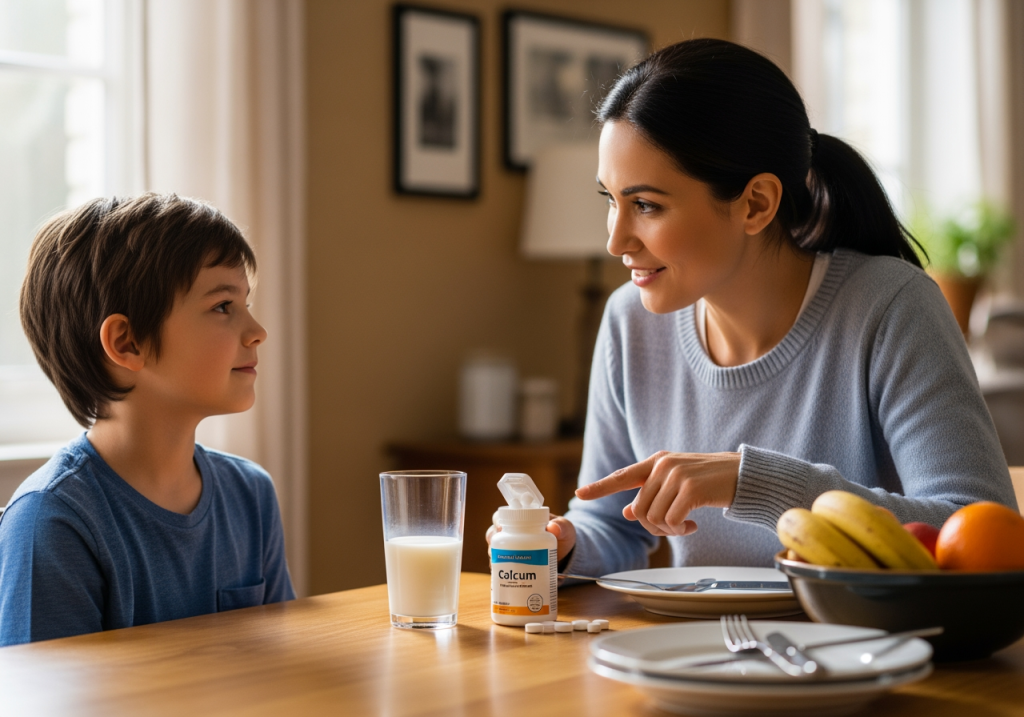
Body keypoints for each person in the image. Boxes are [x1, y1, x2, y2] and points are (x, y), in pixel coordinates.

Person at [491, 38, 1017, 576]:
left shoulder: (891, 307)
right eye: (611, 200)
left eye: (646, 205)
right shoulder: (629, 322)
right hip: (698, 654)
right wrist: (565, 543)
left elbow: (979, 530)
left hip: (868, 653)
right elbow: (614, 527)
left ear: (756, 203)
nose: (616, 240)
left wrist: (755, 483)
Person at [0, 194, 295, 646]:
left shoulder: (250, 494)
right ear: (127, 342)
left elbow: (280, 664)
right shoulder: (52, 521)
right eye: (223, 306)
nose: (258, 331)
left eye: (246, 303)